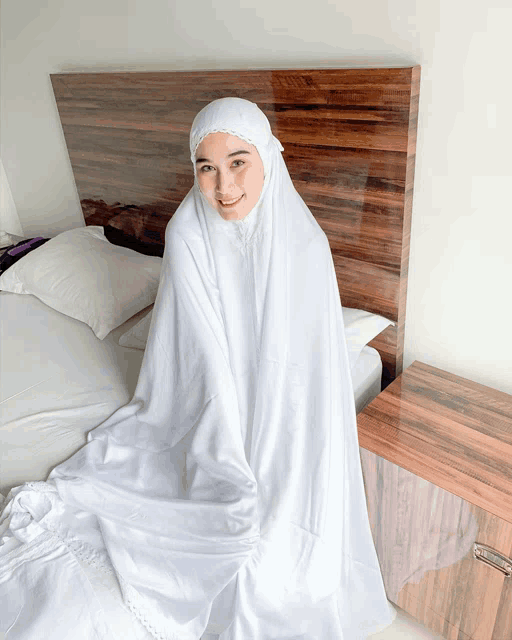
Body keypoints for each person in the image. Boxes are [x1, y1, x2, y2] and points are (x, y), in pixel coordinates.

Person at [0, 97, 396, 639]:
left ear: (267, 161)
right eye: (205, 168)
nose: (222, 186)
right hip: (211, 394)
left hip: (287, 397)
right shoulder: (187, 233)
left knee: (282, 536)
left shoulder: (305, 246)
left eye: (237, 162)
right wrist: (230, 442)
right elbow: (195, 353)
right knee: (221, 508)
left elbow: (304, 368)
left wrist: (276, 447)